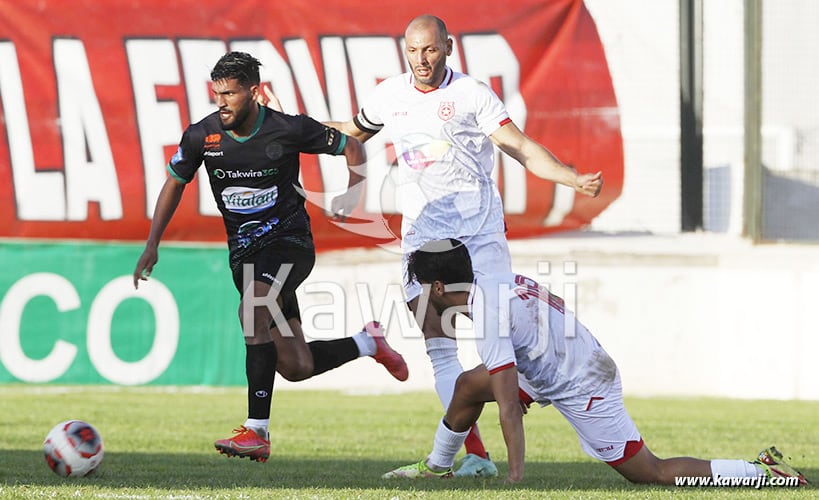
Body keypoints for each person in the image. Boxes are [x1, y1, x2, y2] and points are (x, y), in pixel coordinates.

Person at [322, 14, 604, 477]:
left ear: (448, 47)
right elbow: (353, 131)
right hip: (422, 242)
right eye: (412, 51)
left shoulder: (472, 95)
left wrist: (570, 177)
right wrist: (285, 123)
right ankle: (470, 456)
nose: (421, 60)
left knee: (502, 344)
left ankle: (546, 392)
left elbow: (520, 147)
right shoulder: (390, 94)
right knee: (439, 347)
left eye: (430, 50)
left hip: (478, 239)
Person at [132, 51, 408, 463]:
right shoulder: (201, 137)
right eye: (217, 94)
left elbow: (353, 147)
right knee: (295, 366)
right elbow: (174, 183)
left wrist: (351, 195)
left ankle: (256, 431)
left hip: (289, 245)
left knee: (253, 309)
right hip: (244, 257)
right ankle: (369, 342)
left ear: (254, 92)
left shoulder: (288, 128)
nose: (222, 102)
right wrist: (152, 243)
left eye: (230, 93)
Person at [381, 238, 809, 487]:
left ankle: (760, 471)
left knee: (650, 473)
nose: (420, 296)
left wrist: (515, 478)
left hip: (583, 382)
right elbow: (557, 304)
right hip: (559, 363)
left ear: (438, 287)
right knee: (468, 387)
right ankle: (437, 468)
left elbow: (509, 407)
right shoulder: (494, 281)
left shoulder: (487, 314)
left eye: (422, 287)